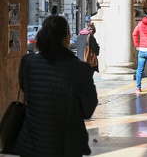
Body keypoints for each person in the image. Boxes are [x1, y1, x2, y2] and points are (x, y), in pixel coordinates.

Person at [15, 15, 98, 156]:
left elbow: (27, 91)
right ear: (66, 38)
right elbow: (88, 110)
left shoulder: (27, 62)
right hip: (66, 146)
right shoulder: (81, 69)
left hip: (31, 143)